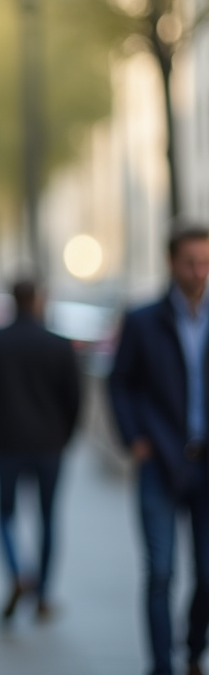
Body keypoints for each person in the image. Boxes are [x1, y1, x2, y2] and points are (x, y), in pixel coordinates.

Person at [110, 221, 209, 675]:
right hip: (160, 461)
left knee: (207, 575)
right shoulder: (143, 320)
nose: (199, 271)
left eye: (206, 262)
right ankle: (161, 665)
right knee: (161, 572)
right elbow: (120, 384)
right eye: (190, 262)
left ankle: (192, 650)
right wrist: (135, 438)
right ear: (171, 263)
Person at [0, 280, 80, 625]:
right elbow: (75, 398)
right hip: (49, 444)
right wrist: (65, 436)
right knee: (48, 517)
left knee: (4, 514)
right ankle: (44, 593)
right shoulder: (59, 345)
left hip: (7, 443)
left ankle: (17, 571)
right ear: (39, 299)